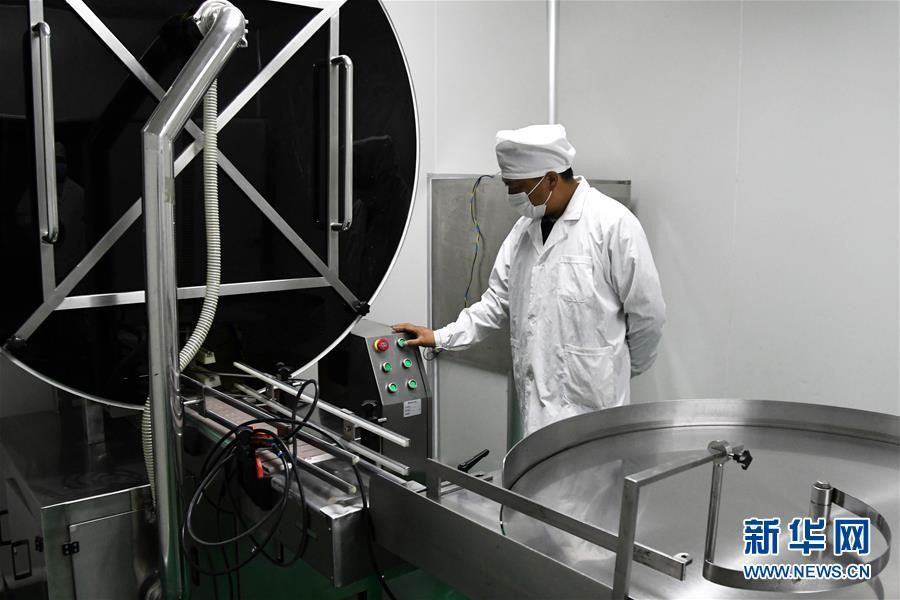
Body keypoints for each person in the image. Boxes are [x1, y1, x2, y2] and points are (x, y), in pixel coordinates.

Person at [393, 124, 665, 435]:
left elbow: (648, 317)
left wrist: (616, 368)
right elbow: (495, 303)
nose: (512, 196)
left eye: (517, 187)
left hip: (595, 417)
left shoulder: (613, 225)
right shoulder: (523, 232)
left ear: (550, 179)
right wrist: (440, 336)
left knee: (591, 467)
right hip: (537, 416)